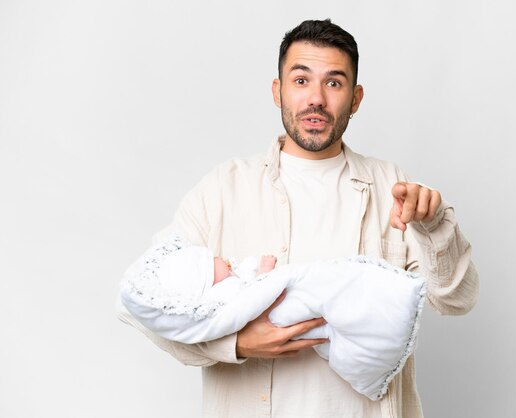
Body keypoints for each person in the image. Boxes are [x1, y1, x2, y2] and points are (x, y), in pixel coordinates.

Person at [117, 18, 479, 418]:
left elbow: (456, 300)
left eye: (334, 83)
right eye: (301, 80)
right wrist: (234, 343)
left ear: (356, 99)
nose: (317, 100)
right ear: (278, 91)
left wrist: (435, 226)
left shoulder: (392, 186)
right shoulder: (222, 189)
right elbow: (141, 302)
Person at [119, 234, 428, 401]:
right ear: (203, 282)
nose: (224, 259)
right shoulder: (216, 299)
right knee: (329, 300)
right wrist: (238, 343)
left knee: (337, 301)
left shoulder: (227, 283)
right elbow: (251, 300)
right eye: (215, 261)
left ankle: (385, 306)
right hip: (279, 326)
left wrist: (260, 273)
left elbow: (249, 289)